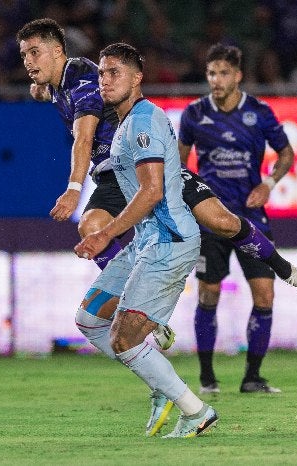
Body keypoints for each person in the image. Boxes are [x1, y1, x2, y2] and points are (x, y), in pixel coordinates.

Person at [15, 19, 297, 319]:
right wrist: (43, 91)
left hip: (146, 165)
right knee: (91, 226)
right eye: (24, 55)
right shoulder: (57, 85)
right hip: (113, 177)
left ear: (58, 50)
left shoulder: (84, 80)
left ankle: (289, 271)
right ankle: (137, 308)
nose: (27, 61)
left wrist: (73, 189)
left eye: (34, 52)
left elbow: (83, 140)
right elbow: (52, 93)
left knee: (224, 223)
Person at [72, 42, 218, 438]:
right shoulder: (125, 123)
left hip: (169, 242)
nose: (105, 80)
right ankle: (160, 384)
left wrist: (105, 232)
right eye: (102, 73)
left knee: (123, 337)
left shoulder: (143, 121)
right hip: (144, 243)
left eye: (115, 71)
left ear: (137, 78)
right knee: (89, 318)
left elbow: (152, 191)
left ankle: (195, 410)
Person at [178, 43, 297, 395]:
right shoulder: (194, 114)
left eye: (223, 73)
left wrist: (269, 182)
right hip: (211, 220)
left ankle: (252, 378)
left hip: (250, 217)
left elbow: (287, 153)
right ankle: (207, 378)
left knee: (264, 294)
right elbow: (179, 163)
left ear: (238, 75)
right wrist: (192, 199)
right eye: (212, 73)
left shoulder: (259, 113)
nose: (216, 80)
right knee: (208, 294)